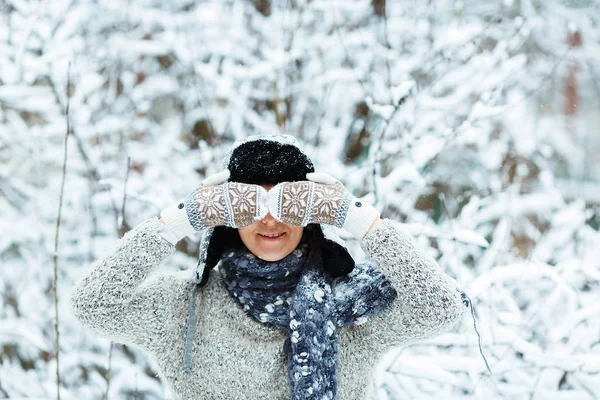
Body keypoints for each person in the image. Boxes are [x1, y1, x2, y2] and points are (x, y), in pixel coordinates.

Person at [70, 135, 469, 400]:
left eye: (286, 206)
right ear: (227, 215)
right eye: (251, 207)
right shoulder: (186, 305)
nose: (270, 221)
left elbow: (439, 307)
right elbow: (93, 306)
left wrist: (360, 219)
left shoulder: (349, 306)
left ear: (311, 214)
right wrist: (180, 219)